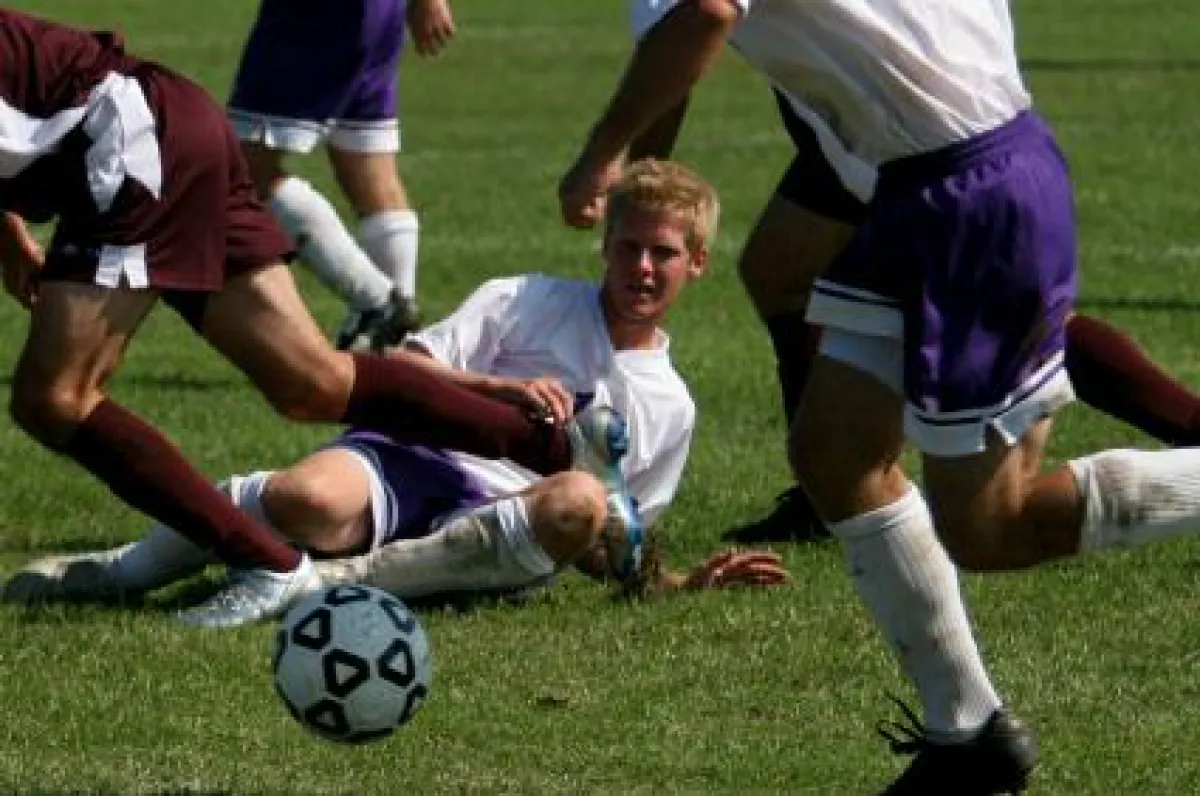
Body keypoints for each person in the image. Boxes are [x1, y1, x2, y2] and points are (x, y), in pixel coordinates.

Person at [557, 2, 1200, 793]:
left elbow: (704, 14)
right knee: (835, 453)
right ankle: (965, 733)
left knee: (994, 526)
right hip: (916, 184)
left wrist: (602, 154)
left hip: (970, 188)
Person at [0, 8, 638, 632]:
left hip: (127, 142)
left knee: (56, 398)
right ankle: (559, 447)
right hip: (172, 118)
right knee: (311, 382)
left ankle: (266, 565)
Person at [3, 158, 787, 607]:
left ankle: (325, 585)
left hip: (508, 522)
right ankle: (118, 572)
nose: (642, 268)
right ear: (604, 247)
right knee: (305, 502)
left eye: (664, 253)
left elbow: (617, 535)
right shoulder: (528, 297)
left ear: (698, 263)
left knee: (579, 499)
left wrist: (681, 582)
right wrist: (496, 392)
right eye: (628, 248)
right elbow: (404, 371)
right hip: (417, 457)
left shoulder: (670, 405)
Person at [628, 36, 1200, 548]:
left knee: (989, 505)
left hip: (902, 122)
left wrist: (625, 174)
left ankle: (839, 488)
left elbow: (690, 26)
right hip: (896, 107)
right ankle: (832, 485)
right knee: (784, 269)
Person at [228, 0, 456, 351]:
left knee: (241, 172)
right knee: (367, 168)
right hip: (374, 13)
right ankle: (393, 345)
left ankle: (379, 305)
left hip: (322, 17)